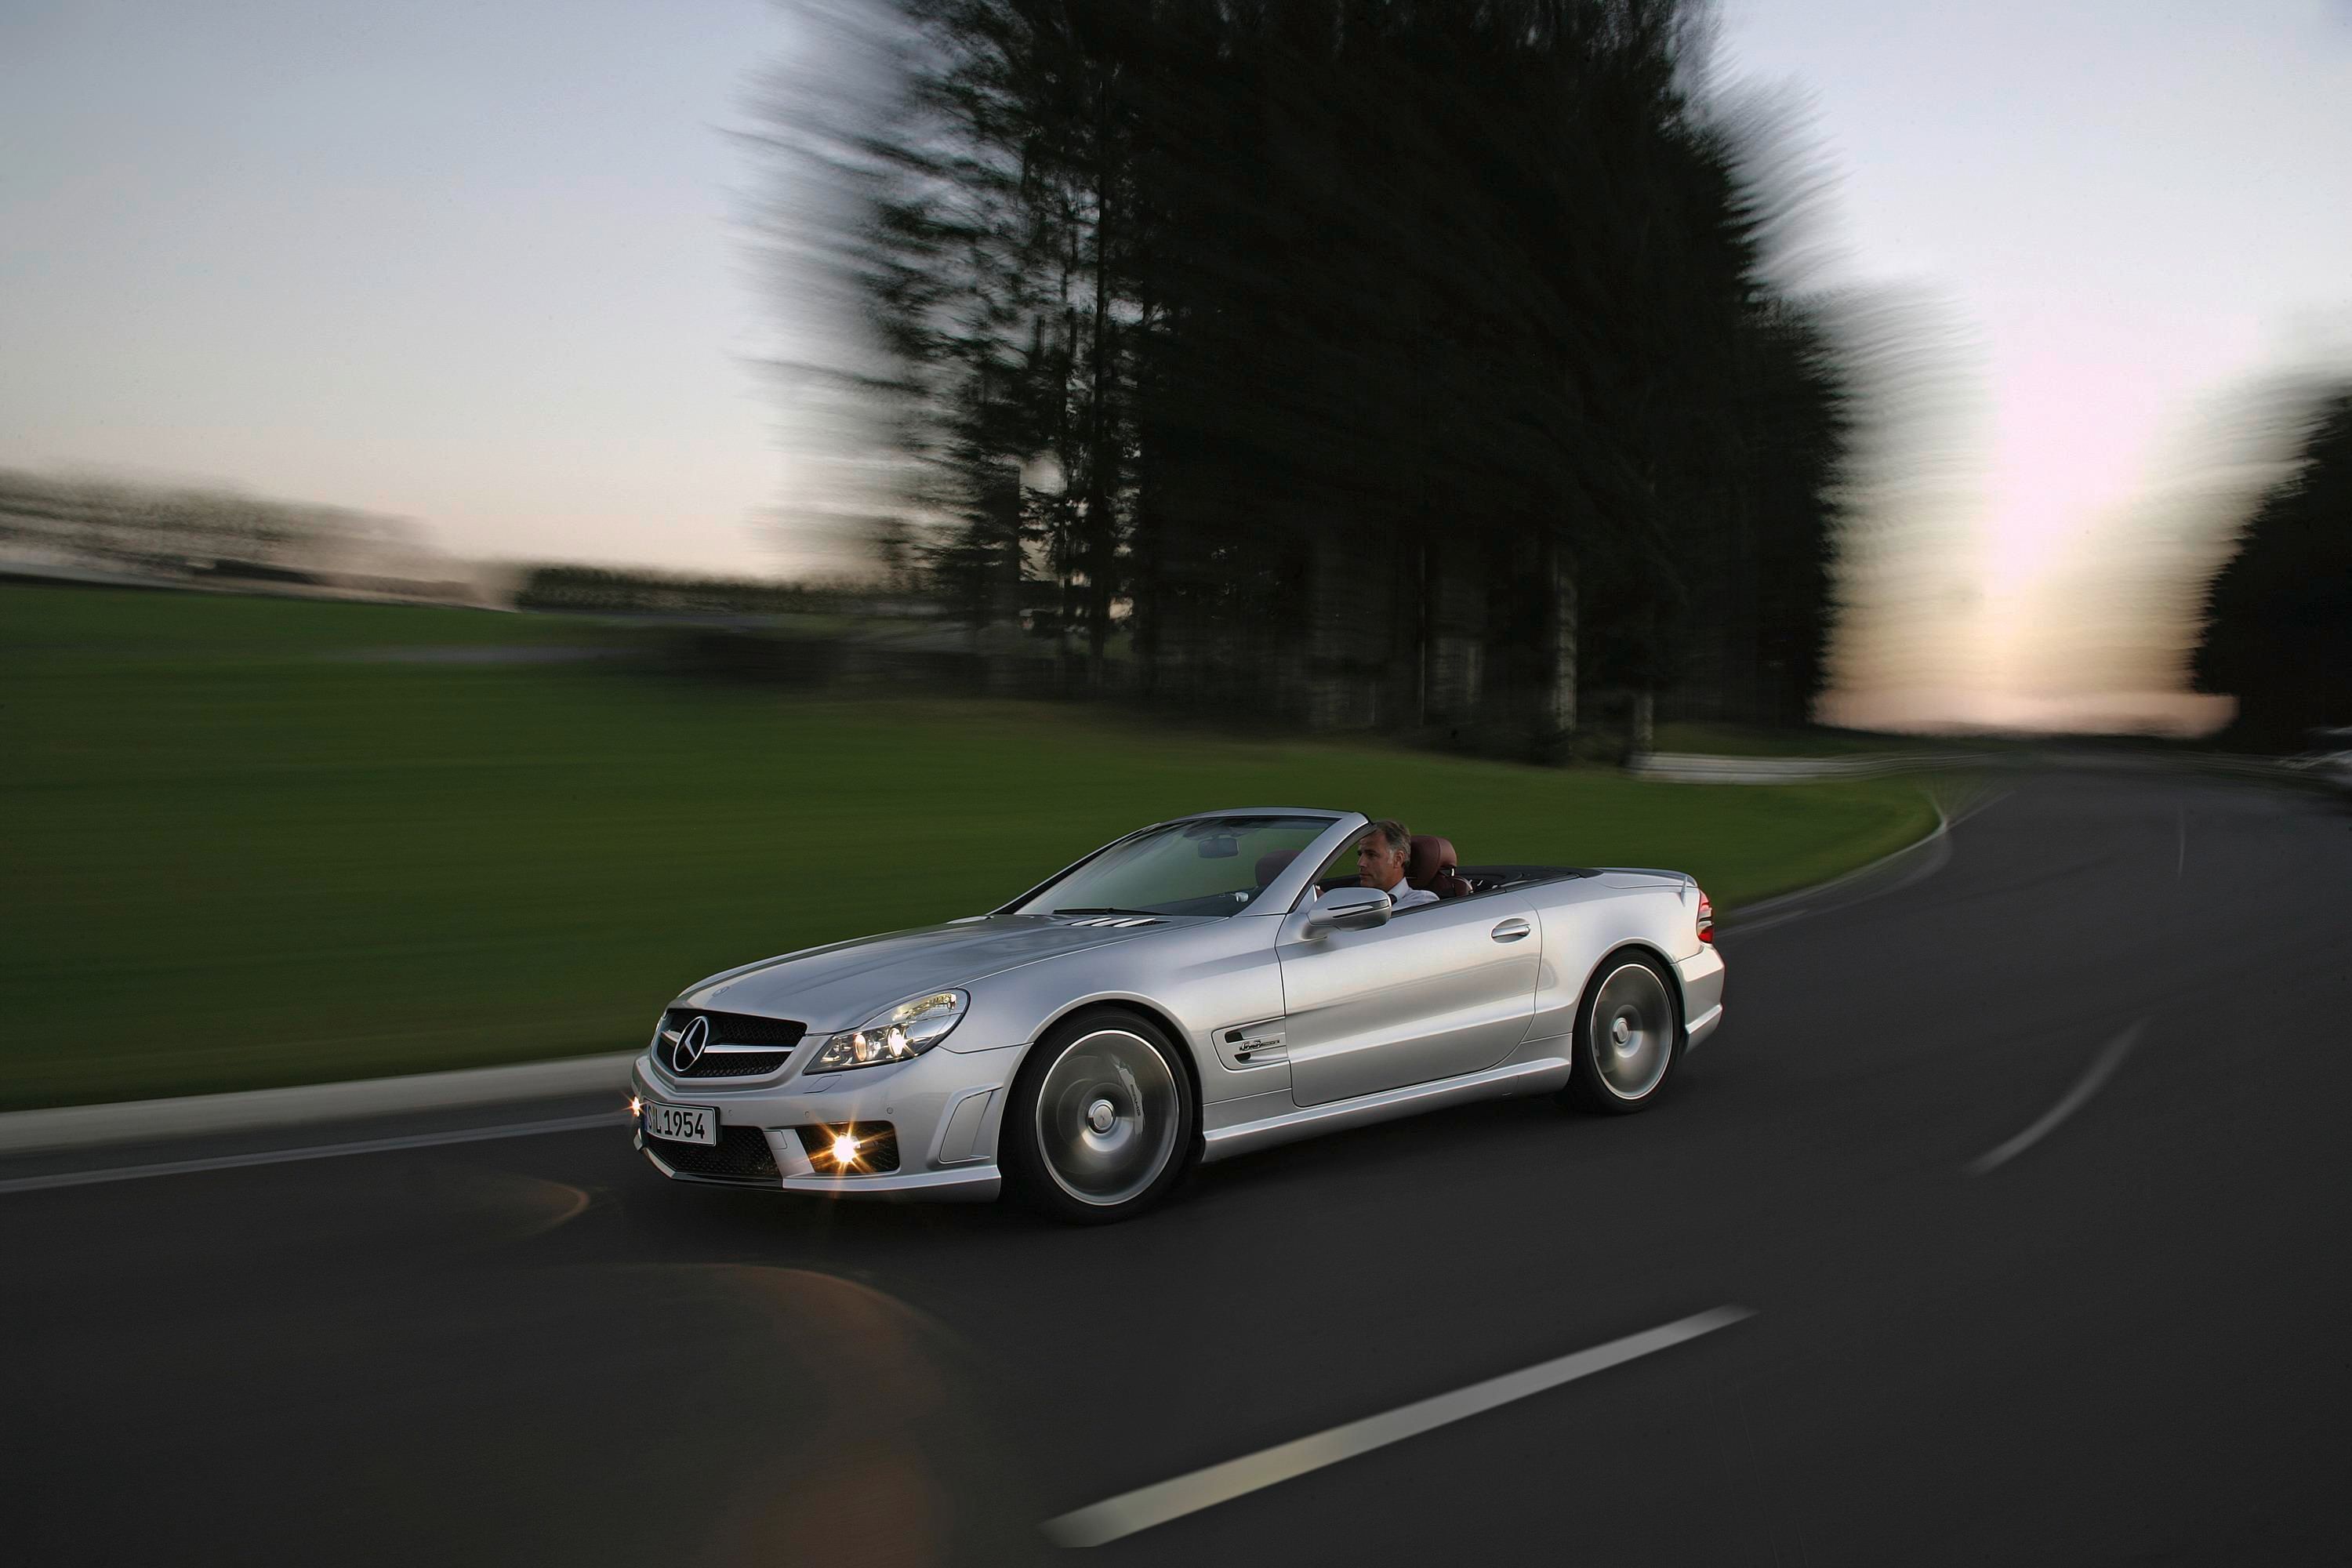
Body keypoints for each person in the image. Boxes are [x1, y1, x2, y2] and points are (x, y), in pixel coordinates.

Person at [1353, 818, 1437, 910]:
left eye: (1371, 855)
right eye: (1360, 854)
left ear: (1397, 859)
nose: (1361, 863)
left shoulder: (1422, 901)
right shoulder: (1353, 897)